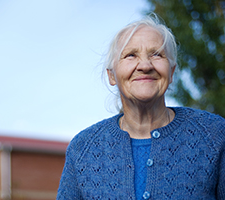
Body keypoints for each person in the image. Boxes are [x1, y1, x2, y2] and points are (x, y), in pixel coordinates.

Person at [57, 14, 225, 200]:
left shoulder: (215, 136)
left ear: (171, 72)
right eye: (130, 55)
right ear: (112, 76)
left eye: (156, 54)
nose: (145, 65)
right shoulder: (82, 149)